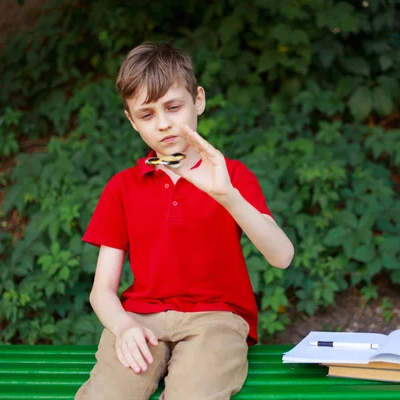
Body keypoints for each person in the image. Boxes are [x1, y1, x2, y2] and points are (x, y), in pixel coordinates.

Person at [74, 42, 295, 400]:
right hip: (140, 318)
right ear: (131, 121)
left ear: (199, 100)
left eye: (173, 107)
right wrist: (123, 327)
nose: (163, 124)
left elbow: (282, 256)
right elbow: (102, 290)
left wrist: (228, 196)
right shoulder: (122, 188)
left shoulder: (231, 176)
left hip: (216, 319)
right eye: (146, 115)